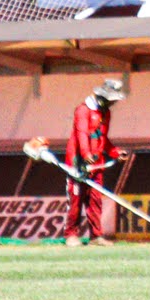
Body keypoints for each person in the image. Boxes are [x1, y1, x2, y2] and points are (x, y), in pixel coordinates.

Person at [64, 77, 124, 246]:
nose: (113, 104)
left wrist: (115, 152)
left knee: (95, 200)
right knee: (76, 199)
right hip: (77, 164)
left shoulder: (106, 113)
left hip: (97, 164)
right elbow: (81, 134)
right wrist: (85, 153)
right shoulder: (82, 110)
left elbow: (103, 138)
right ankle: (71, 235)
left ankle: (96, 236)